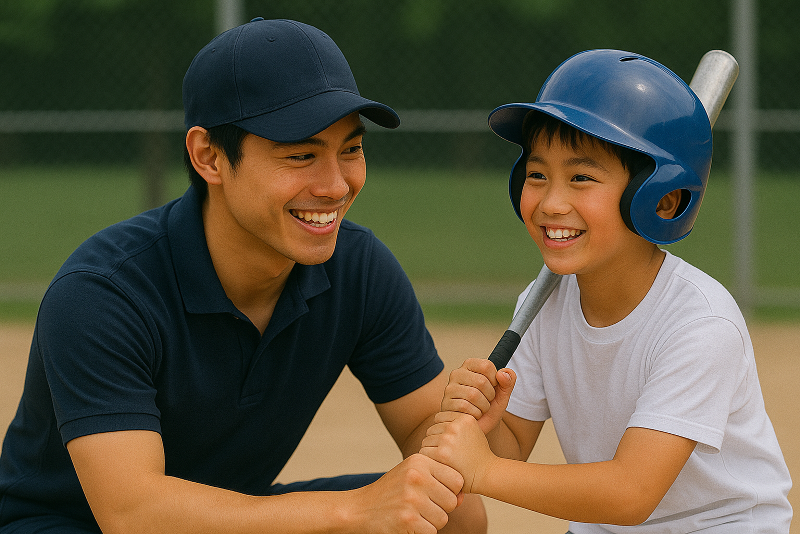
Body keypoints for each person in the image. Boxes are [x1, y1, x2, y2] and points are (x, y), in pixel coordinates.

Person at [0, 18, 487, 534]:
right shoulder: (103, 293)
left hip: (230, 515)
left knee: (449, 512)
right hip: (71, 525)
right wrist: (357, 512)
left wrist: (459, 438)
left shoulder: (358, 268)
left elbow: (423, 427)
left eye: (350, 149)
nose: (336, 184)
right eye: (301, 155)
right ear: (208, 156)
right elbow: (134, 514)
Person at [421, 49, 792, 532]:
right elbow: (512, 442)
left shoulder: (700, 323)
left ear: (662, 199)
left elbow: (629, 494)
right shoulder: (542, 305)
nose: (552, 201)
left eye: (581, 178)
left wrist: (486, 471)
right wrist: (478, 428)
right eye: (537, 174)